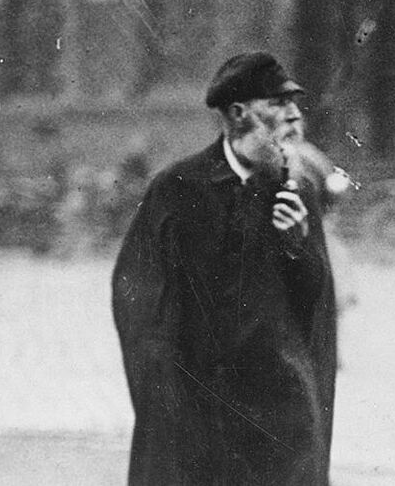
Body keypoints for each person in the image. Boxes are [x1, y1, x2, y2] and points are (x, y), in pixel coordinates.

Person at [111, 52, 340, 485]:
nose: (294, 117)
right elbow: (136, 296)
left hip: (278, 415)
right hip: (198, 410)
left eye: (295, 105)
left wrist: (299, 246)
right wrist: (164, 392)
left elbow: (316, 308)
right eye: (277, 104)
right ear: (237, 115)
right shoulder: (178, 189)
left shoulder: (298, 193)